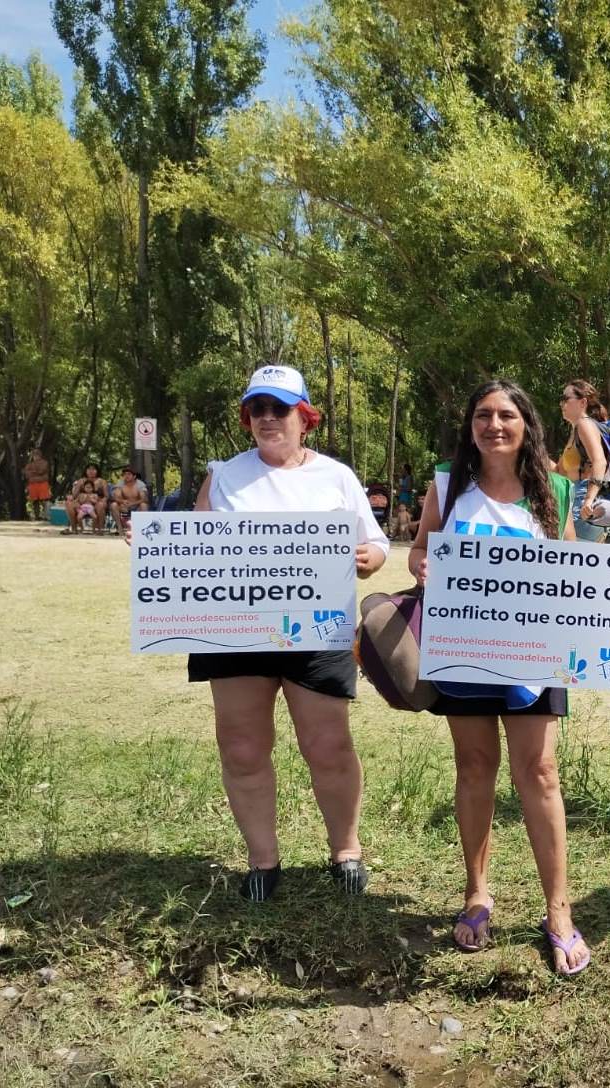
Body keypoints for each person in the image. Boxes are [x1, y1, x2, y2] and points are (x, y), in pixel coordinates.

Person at [408, 379, 591, 975]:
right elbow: (417, 552)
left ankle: (557, 911)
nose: (494, 425)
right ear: (470, 426)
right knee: (474, 767)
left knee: (539, 771)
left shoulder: (555, 491)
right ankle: (477, 893)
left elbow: (571, 568)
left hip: (534, 657)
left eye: (506, 415)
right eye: (483, 414)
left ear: (525, 425)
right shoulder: (448, 485)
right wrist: (425, 568)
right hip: (463, 650)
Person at [187, 364, 389, 901]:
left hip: (317, 632)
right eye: (258, 409)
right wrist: (162, 553)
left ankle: (345, 850)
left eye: (279, 408)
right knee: (242, 745)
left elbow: (376, 544)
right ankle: (262, 860)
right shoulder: (224, 474)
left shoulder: (337, 476)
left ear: (305, 417)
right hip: (234, 632)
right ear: (247, 417)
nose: (268, 418)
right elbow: (191, 546)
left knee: (328, 745)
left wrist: (370, 555)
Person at [556, 380, 610, 542]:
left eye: (566, 398)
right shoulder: (575, 431)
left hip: (582, 503)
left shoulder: (584, 424)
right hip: (575, 500)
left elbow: (599, 461)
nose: (562, 403)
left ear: (583, 402)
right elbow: (558, 472)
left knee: (570, 560)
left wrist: (589, 499)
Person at [64, 464, 107, 534]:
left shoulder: (102, 481)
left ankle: (100, 529)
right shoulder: (81, 481)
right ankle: (74, 528)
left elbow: (106, 496)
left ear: (97, 471)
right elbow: (74, 495)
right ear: (86, 471)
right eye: (89, 469)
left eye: (93, 469)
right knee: (68, 503)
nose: (91, 471)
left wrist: (103, 500)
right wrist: (72, 496)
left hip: (96, 502)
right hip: (81, 503)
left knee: (101, 505)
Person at [23, 448, 51, 519]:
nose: (35, 456)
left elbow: (42, 471)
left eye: (37, 454)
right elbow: (26, 473)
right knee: (35, 501)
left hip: (43, 483)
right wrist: (35, 472)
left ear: (40, 455)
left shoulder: (45, 462)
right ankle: (37, 516)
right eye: (34, 455)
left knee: (45, 500)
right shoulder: (30, 464)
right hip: (33, 484)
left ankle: (46, 516)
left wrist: (32, 472)